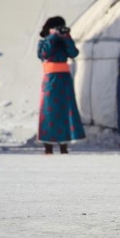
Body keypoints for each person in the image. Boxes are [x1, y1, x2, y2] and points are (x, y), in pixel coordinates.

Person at [37, 16, 85, 154]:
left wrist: (66, 37)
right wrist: (53, 36)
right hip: (51, 79)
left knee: (65, 109)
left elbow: (74, 53)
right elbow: (44, 54)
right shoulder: (44, 41)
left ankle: (64, 144)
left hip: (64, 79)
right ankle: (48, 144)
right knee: (49, 110)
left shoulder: (64, 41)